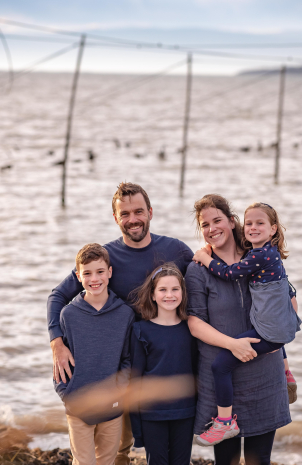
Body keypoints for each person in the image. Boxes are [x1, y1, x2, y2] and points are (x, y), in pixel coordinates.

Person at [47, 182, 194, 464]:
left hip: (162, 362)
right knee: (118, 445)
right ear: (116, 218)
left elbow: (204, 283)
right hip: (120, 364)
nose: (133, 219)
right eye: (124, 214)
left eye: (138, 211)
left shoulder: (176, 250)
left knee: (166, 441)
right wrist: (57, 342)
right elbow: (58, 296)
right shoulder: (104, 258)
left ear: (150, 212)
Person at [186, 194, 293, 465]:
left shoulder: (257, 257)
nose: (212, 229)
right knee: (226, 461)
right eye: (205, 225)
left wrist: (285, 362)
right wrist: (232, 344)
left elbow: (282, 301)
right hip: (222, 379)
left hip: (263, 374)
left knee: (260, 460)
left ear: (233, 222)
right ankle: (224, 422)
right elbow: (194, 323)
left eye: (217, 220)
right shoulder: (198, 270)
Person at [53, 243, 135, 465]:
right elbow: (60, 362)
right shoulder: (68, 315)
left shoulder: (124, 314)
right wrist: (66, 395)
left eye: (100, 272)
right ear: (78, 276)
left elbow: (127, 359)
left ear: (109, 273)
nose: (94, 278)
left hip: (113, 408)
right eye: (87, 273)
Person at [129, 263, 198, 465]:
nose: (170, 295)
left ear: (183, 293)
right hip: (152, 414)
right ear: (152, 295)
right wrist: (137, 431)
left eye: (175, 289)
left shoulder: (191, 329)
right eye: (163, 290)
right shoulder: (140, 330)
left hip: (185, 412)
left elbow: (196, 372)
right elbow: (135, 380)